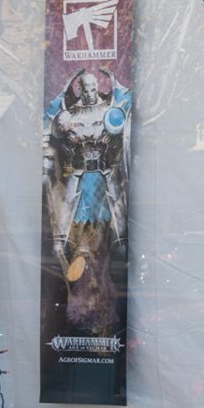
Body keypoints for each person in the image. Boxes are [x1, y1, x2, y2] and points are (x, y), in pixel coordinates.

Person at [43, 66, 133, 332]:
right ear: (80, 90)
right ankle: (82, 309)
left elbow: (126, 108)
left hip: (103, 180)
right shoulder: (69, 114)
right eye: (87, 88)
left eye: (95, 88)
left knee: (104, 248)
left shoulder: (109, 110)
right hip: (79, 181)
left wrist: (114, 81)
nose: (92, 93)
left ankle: (102, 312)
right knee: (78, 246)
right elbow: (52, 124)